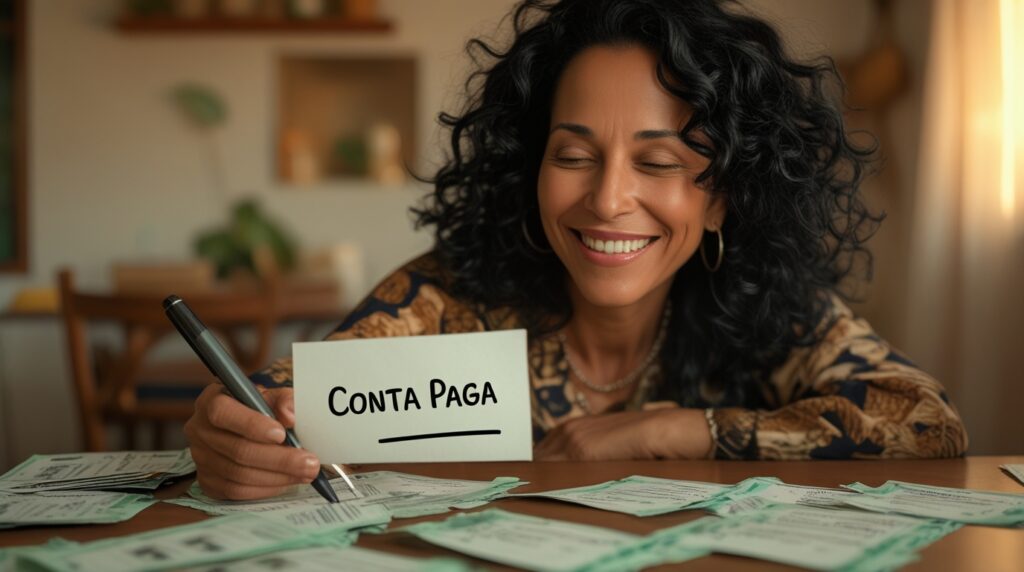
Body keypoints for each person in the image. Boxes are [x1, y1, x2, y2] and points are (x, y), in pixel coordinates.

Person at [184, 0, 968, 500]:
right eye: (572, 155)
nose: (606, 199)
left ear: (723, 192)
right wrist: (235, 432)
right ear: (530, 170)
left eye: (659, 163)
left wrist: (672, 429)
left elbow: (927, 420)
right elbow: (285, 400)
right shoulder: (449, 294)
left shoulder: (773, 305)